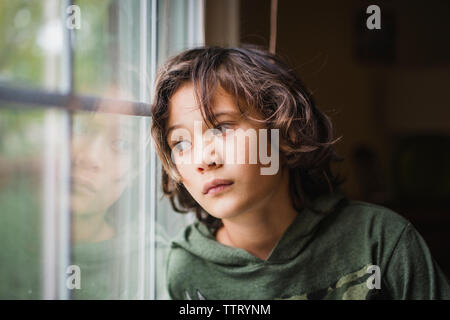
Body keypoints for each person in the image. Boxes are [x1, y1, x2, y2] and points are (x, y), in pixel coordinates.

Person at [150, 46, 450, 300]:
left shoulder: (382, 239)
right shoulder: (187, 269)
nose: (203, 159)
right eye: (181, 143)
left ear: (285, 133)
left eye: (223, 127)